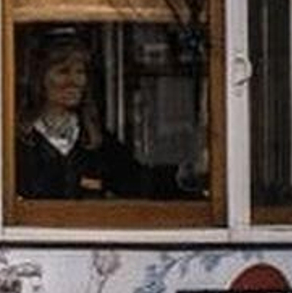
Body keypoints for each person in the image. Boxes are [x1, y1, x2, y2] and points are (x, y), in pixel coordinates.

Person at [15, 30, 179, 200]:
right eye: (63, 71)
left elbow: (138, 182)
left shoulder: (96, 139)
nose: (75, 81)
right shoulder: (18, 141)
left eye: (80, 72)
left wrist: (185, 177)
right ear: (39, 78)